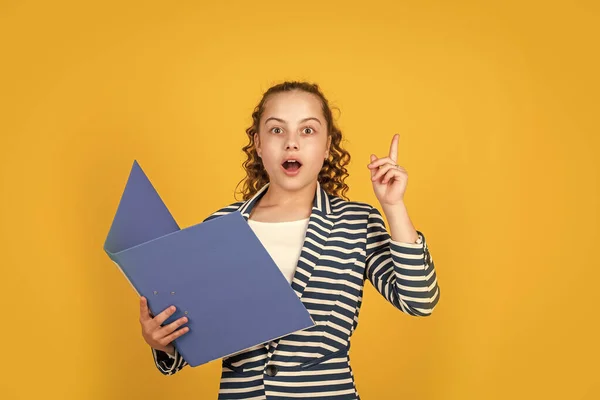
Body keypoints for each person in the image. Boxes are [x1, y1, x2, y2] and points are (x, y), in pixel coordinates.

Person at [137, 80, 441, 399]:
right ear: (257, 143)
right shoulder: (221, 226)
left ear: (327, 146)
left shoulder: (357, 222)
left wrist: (393, 207)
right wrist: (163, 343)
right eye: (277, 130)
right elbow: (193, 340)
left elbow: (419, 300)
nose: (291, 143)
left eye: (307, 130)